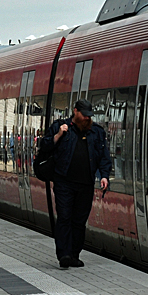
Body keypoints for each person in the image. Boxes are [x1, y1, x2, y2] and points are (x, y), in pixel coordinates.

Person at [38, 99, 111, 269]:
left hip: (85, 184)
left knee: (79, 220)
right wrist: (58, 135)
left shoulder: (97, 132)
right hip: (64, 181)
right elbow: (45, 146)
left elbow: (103, 157)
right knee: (64, 216)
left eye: (89, 116)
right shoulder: (61, 127)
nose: (87, 118)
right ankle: (64, 254)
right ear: (75, 111)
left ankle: (74, 254)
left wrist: (104, 176)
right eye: (84, 115)